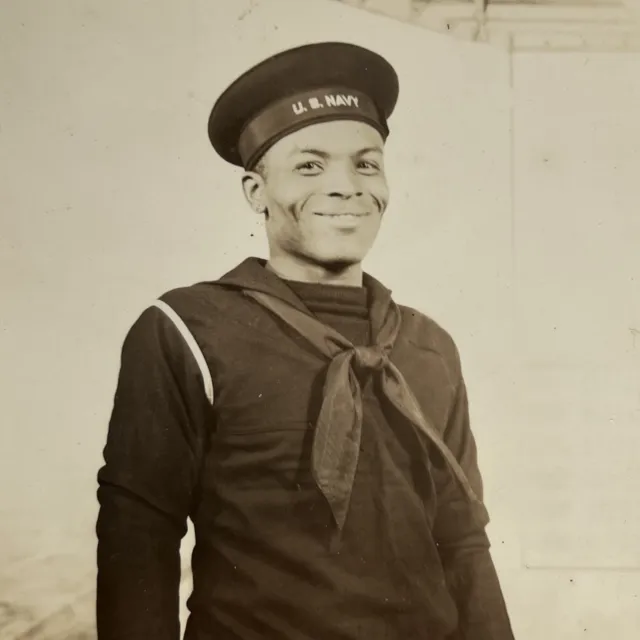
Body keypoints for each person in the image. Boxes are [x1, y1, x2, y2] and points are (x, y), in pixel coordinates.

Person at [96, 41, 515, 640]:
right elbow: (138, 534)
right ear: (255, 192)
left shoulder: (429, 346)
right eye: (310, 166)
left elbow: (463, 539)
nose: (346, 187)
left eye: (366, 164)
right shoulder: (186, 330)